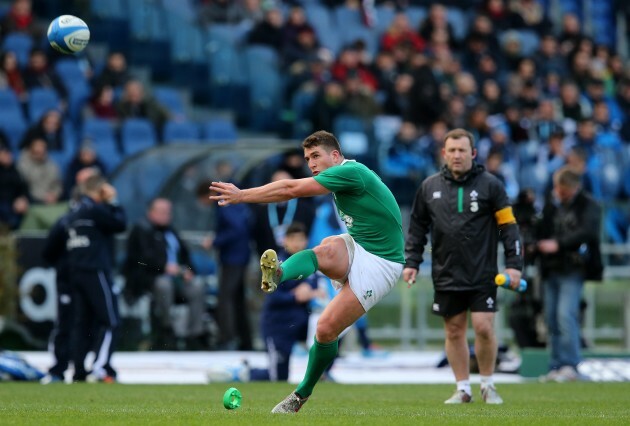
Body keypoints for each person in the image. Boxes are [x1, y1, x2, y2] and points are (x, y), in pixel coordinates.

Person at [210, 130, 405, 413]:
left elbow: (290, 189)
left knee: (325, 330)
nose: (311, 163)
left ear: (335, 156)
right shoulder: (345, 175)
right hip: (361, 245)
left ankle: (300, 395)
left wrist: (242, 195)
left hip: (382, 262)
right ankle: (277, 275)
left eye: (316, 156)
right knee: (325, 248)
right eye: (307, 158)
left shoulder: (351, 172)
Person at [403, 128, 523, 405]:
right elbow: (417, 229)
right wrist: (412, 262)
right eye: (451, 151)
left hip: (484, 273)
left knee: (483, 327)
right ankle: (463, 388)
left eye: (462, 150)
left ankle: (488, 385)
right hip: (446, 272)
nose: (457, 155)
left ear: (473, 153)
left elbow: (509, 227)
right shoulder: (429, 187)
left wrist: (515, 265)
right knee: (454, 331)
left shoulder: (491, 185)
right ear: (444, 154)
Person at [536, 166, 602, 382]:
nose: (560, 193)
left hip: (574, 268)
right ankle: (555, 365)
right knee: (551, 318)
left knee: (566, 315)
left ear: (574, 188)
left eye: (563, 190)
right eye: (558, 189)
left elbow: (588, 232)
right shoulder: (550, 205)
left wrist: (559, 244)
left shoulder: (589, 205)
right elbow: (541, 230)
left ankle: (571, 364)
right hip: (550, 268)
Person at [122, 198, 207, 350]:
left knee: (197, 285)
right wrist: (163, 267)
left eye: (168, 212)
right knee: (164, 284)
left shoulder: (171, 231)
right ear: (151, 212)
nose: (166, 215)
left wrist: (188, 270)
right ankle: (167, 329)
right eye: (162, 212)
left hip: (178, 280)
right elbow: (139, 260)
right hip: (150, 280)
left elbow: (185, 255)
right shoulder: (141, 230)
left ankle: (195, 334)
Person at [66, 174, 126, 382]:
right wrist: (113, 201)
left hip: (76, 272)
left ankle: (79, 371)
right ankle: (100, 368)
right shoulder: (95, 209)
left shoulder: (73, 212)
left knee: (82, 323)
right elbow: (120, 224)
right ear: (100, 191)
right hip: (96, 270)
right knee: (110, 321)